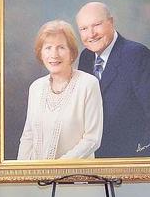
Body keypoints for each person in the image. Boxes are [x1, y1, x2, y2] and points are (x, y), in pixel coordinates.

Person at [75, 2, 150, 158]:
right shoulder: (86, 57)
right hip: (94, 154)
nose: (91, 34)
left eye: (97, 25)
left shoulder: (137, 55)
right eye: (84, 29)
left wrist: (142, 155)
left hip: (129, 156)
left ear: (111, 22)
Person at [17, 20, 103, 160]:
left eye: (61, 47)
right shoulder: (36, 88)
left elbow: (92, 140)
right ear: (41, 53)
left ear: (72, 53)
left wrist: (57, 168)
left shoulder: (88, 84)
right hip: (38, 173)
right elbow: (28, 136)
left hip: (75, 172)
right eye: (48, 48)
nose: (54, 54)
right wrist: (21, 171)